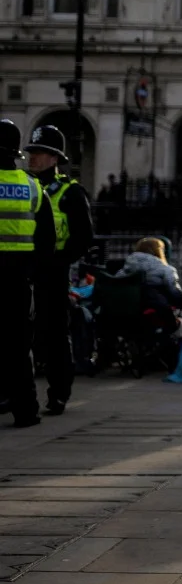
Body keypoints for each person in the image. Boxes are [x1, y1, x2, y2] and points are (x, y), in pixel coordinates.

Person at [25, 124, 92, 417]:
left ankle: (58, 393)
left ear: (55, 158)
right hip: (21, 269)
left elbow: (84, 237)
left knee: (54, 335)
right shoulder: (23, 186)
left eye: (40, 153)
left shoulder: (70, 192)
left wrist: (59, 260)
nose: (33, 158)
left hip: (52, 272)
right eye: (32, 152)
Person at [0, 119, 48, 427]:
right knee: (19, 347)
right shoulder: (33, 186)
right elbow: (45, 241)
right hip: (18, 277)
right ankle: (26, 410)